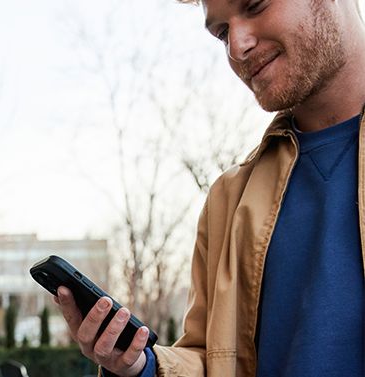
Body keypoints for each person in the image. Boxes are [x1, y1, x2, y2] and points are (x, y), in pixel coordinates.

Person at [54, 0, 365, 376]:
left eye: (255, 5)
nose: (237, 47)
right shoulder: (228, 200)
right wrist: (141, 366)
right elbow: (213, 359)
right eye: (221, 33)